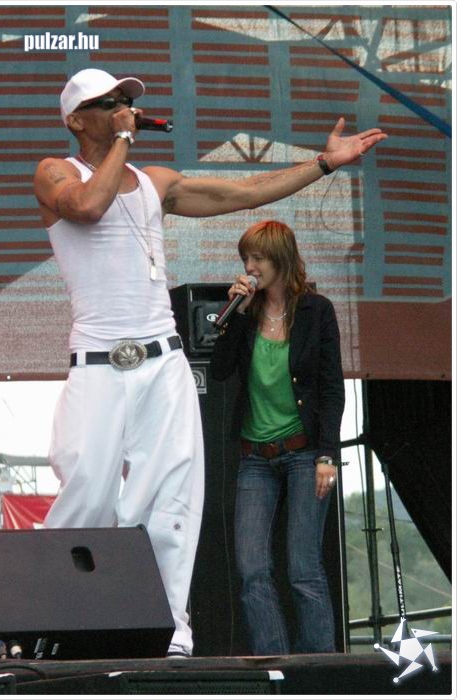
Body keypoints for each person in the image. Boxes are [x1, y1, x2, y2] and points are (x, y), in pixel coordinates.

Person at [33, 67, 386, 658]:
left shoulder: (156, 183)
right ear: (75, 119)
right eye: (109, 102)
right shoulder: (55, 172)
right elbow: (88, 207)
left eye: (126, 101)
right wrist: (124, 138)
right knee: (86, 492)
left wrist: (324, 164)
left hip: (163, 360)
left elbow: (243, 193)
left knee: (170, 497)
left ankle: (169, 630)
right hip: (97, 363)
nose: (123, 107)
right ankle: (57, 626)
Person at [210, 220, 344, 655]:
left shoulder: (317, 311)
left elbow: (331, 388)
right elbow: (220, 371)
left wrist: (327, 455)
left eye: (258, 258)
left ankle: (318, 671)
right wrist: (235, 316)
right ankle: (277, 663)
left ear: (280, 259)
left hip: (305, 453)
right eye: (245, 258)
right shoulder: (245, 315)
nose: (250, 267)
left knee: (304, 568)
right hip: (255, 456)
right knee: (252, 569)